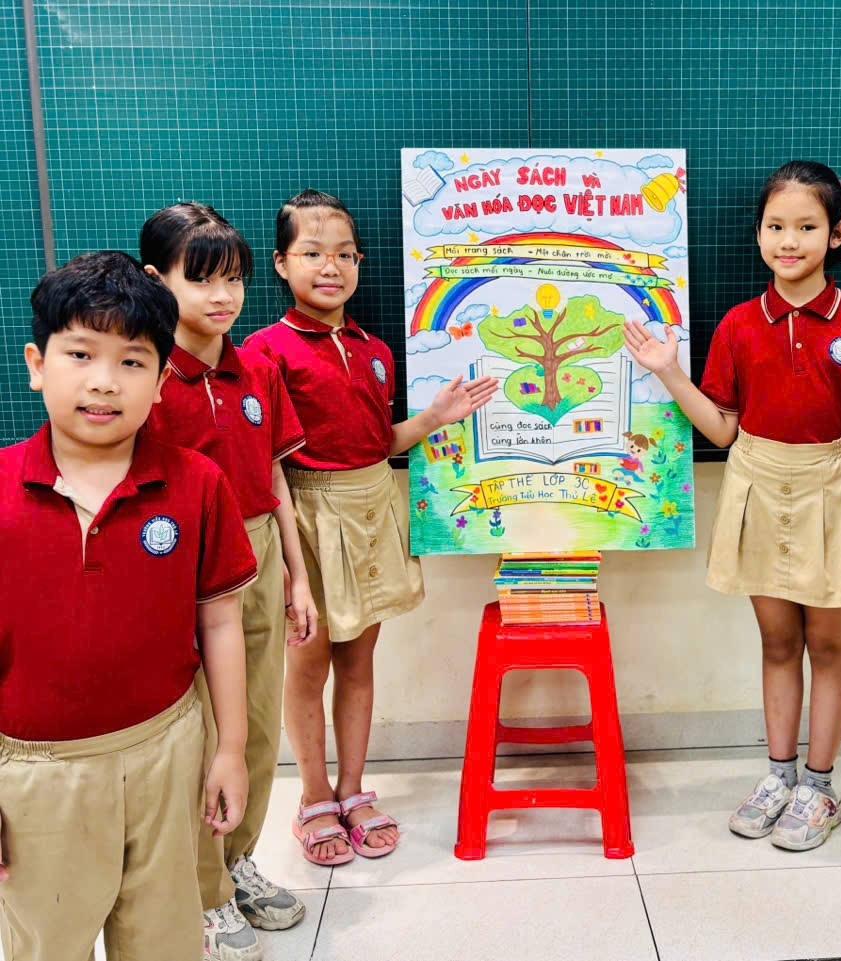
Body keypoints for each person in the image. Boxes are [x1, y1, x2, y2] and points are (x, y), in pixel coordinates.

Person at [624, 160, 841, 850]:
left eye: (806, 226)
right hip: (757, 481)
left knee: (828, 643)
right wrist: (667, 371)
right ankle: (779, 776)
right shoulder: (740, 324)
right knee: (778, 642)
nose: (789, 240)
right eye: (775, 226)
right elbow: (721, 429)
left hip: (833, 486)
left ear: (836, 234)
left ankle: (819, 785)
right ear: (757, 235)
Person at [0, 251, 255, 960]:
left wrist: (230, 750)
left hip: (168, 752)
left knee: (164, 936)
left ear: (162, 380)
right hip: (36, 773)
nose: (104, 381)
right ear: (37, 363)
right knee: (48, 940)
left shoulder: (197, 484)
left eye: (133, 361)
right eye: (80, 353)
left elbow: (220, 622)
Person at [243, 189, 496, 865]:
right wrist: (290, 565)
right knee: (308, 663)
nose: (332, 267)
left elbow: (378, 442)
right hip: (307, 519)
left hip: (372, 506)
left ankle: (353, 789)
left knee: (359, 661)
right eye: (313, 253)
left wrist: (434, 417)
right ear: (280, 263)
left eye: (346, 255)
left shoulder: (374, 349)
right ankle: (313, 795)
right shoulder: (265, 353)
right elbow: (267, 464)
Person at [141, 202, 315, 960]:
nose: (223, 297)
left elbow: (276, 480)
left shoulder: (259, 371)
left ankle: (238, 859)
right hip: (182, 568)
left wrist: (298, 578)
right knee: (202, 735)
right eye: (202, 279)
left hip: (261, 551)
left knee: (257, 725)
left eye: (235, 280)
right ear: (157, 281)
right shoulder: (144, 377)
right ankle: (204, 888)